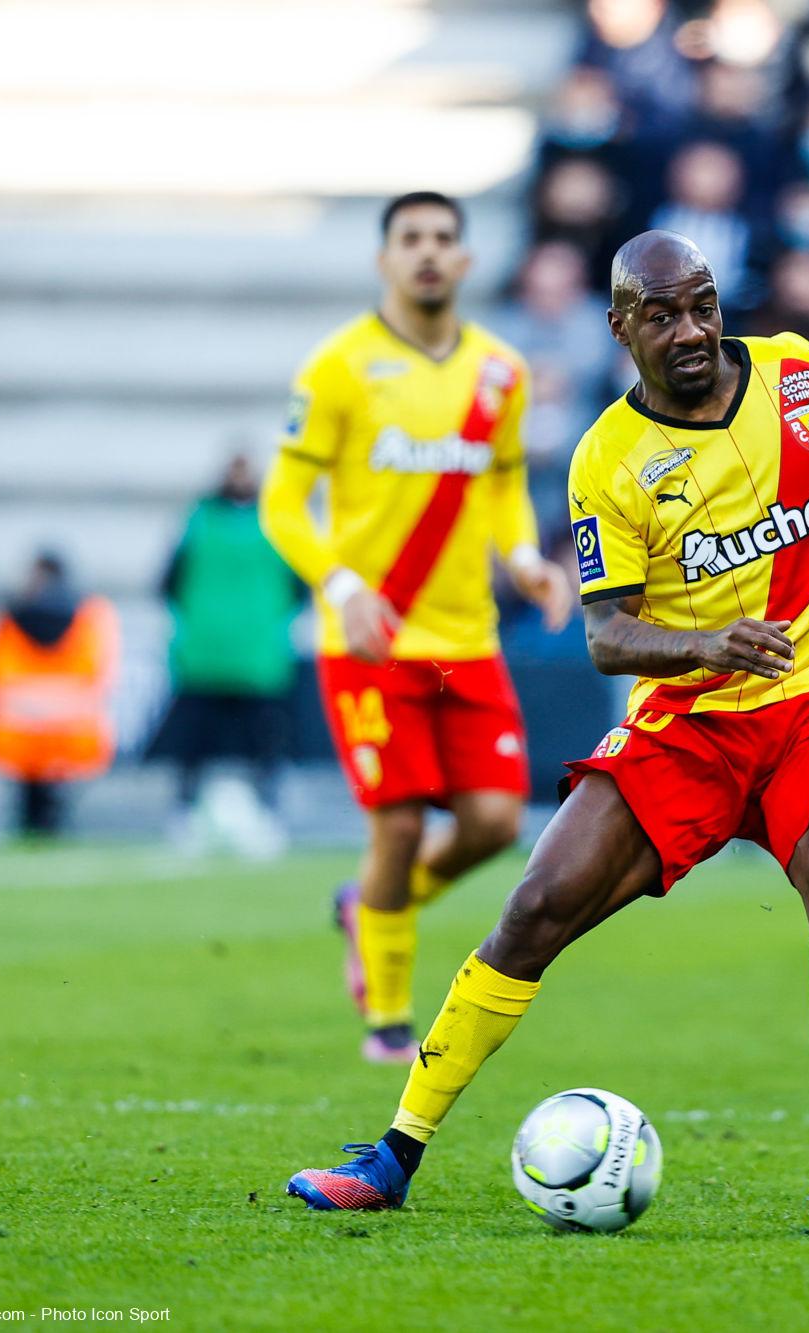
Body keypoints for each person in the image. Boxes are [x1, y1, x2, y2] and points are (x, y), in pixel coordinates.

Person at [285, 231, 809, 1227]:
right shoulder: (607, 458)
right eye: (660, 314)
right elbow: (604, 634)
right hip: (688, 722)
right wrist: (709, 646)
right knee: (536, 905)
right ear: (619, 327)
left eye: (701, 305)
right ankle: (392, 1155)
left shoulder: (798, 377)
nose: (689, 330)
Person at [258, 192, 576, 1065]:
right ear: (385, 260)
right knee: (395, 826)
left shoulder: (499, 371)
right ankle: (388, 1020)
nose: (429, 253)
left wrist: (523, 558)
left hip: (466, 637)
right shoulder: (340, 366)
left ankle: (369, 903)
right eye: (411, 239)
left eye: (444, 239)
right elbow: (281, 500)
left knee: (492, 823)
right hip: (369, 638)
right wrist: (342, 582)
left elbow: (505, 482)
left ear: (466, 261)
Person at [156, 453, 302, 842]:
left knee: (262, 744)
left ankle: (266, 813)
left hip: (252, 654)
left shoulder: (263, 520)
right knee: (196, 743)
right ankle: (186, 813)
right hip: (213, 653)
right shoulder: (202, 520)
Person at [0, 551, 119, 836]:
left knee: (29, 781)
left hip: (13, 727)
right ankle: (51, 812)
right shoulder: (92, 613)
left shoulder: (5, 613)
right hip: (75, 729)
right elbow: (104, 672)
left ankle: (32, 814)